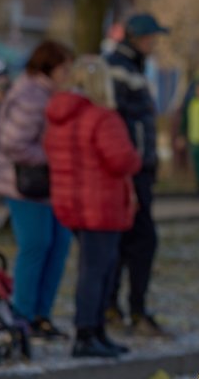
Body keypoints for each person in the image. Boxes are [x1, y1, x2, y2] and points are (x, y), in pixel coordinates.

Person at [44, 56, 142, 357]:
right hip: (100, 204)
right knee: (98, 271)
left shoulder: (60, 115)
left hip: (70, 201)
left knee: (92, 269)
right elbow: (122, 160)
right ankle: (88, 332)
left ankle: (93, 331)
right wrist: (137, 155)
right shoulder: (102, 117)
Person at [0, 40, 75, 339]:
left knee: (58, 245)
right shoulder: (30, 95)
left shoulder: (48, 93)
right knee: (36, 245)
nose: (68, 74)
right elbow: (13, 143)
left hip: (47, 185)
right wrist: (54, 157)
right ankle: (23, 314)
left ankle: (41, 315)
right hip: (24, 185)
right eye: (64, 68)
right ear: (50, 67)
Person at [105, 13, 169, 336]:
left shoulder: (134, 68)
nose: (153, 43)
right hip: (129, 170)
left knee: (131, 240)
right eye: (150, 38)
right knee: (140, 240)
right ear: (135, 38)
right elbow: (117, 122)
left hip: (138, 167)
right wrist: (133, 161)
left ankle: (117, 307)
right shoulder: (119, 68)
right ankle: (127, 308)